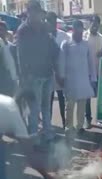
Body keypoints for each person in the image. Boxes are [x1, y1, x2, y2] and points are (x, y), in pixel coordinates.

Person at [16, 0, 59, 147]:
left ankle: (47, 134)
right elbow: (20, 55)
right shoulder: (23, 30)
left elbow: (53, 47)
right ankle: (33, 137)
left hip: (47, 73)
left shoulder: (44, 27)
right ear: (29, 12)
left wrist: (55, 66)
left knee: (46, 107)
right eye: (33, 11)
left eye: (37, 12)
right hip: (32, 76)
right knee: (34, 109)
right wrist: (24, 75)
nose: (36, 14)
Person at [59, 20, 96, 136]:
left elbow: (91, 62)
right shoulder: (66, 44)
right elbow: (61, 62)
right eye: (77, 31)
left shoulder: (86, 44)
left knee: (82, 105)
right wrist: (62, 77)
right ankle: (68, 127)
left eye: (81, 31)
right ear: (73, 30)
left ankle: (79, 126)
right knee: (69, 105)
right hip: (70, 80)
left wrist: (93, 78)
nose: (79, 34)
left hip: (83, 80)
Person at [46, 12, 70, 129]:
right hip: (48, 73)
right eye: (49, 21)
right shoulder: (43, 36)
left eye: (54, 21)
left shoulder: (64, 35)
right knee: (48, 100)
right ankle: (48, 125)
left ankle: (65, 123)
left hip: (61, 73)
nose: (52, 23)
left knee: (62, 99)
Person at [83, 15, 102, 129]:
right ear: (89, 23)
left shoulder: (101, 38)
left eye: (97, 23)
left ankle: (100, 119)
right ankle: (88, 119)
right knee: (87, 97)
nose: (95, 25)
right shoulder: (84, 36)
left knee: (99, 97)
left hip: (99, 71)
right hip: (87, 72)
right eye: (93, 23)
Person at [0, 22, 17, 97]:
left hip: (13, 79)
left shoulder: (12, 46)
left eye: (2, 30)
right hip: (2, 79)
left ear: (6, 31)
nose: (0, 32)